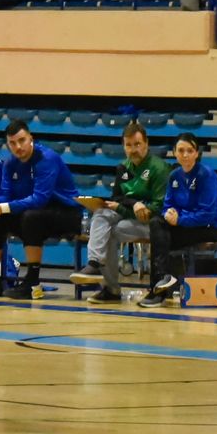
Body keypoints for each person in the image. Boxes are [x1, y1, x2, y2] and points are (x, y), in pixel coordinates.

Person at [0, 120, 80, 300]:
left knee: (31, 217)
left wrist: (2, 207)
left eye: (22, 140)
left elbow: (40, 199)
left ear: (31, 138)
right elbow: (4, 194)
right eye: (12, 143)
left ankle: (32, 282)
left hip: (66, 212)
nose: (18, 146)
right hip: (34, 212)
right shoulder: (10, 163)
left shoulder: (47, 159)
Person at [71, 121, 169, 304]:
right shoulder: (123, 167)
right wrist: (134, 204)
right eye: (128, 145)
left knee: (107, 230)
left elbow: (157, 208)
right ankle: (98, 270)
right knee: (101, 216)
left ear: (147, 144)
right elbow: (117, 197)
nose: (133, 150)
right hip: (131, 217)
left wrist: (130, 207)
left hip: (154, 225)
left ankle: (108, 285)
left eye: (137, 144)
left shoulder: (159, 168)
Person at [140, 133, 217, 309]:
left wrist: (180, 220)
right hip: (185, 225)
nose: (185, 155)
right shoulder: (174, 176)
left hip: (211, 227)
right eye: (181, 150)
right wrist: (169, 214)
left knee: (162, 240)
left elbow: (207, 214)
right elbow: (168, 205)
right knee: (157, 223)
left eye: (190, 150)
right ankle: (162, 280)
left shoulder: (206, 175)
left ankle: (159, 287)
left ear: (197, 153)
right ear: (174, 153)